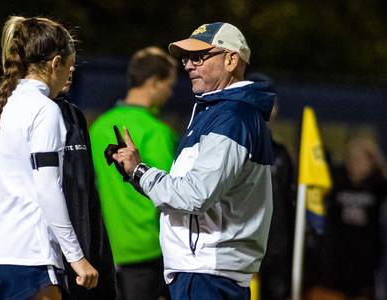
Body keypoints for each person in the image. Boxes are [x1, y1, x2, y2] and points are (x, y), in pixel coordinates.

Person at [110, 22, 275, 299]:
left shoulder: (233, 116)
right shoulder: (219, 111)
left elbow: (196, 195)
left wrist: (141, 172)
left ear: (231, 59)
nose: (188, 65)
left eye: (198, 57)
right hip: (204, 271)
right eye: (186, 57)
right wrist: (136, 173)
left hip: (209, 273)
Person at [0, 16, 98, 300]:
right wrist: (76, 257)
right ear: (55, 63)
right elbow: (48, 187)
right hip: (28, 259)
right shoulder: (44, 110)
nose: (69, 75)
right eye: (69, 67)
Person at [0, 63, 116, 300]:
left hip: (80, 264)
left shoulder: (73, 114)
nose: (71, 68)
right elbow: (45, 190)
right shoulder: (6, 114)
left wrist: (94, 258)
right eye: (62, 58)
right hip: (36, 262)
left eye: (73, 59)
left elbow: (84, 199)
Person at [90, 46, 177, 300]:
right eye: (168, 85)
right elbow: (171, 192)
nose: (170, 93)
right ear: (153, 82)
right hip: (150, 248)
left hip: (110, 249)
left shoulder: (98, 127)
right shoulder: (157, 131)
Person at [317, 136, 386, 299]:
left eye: (361, 159)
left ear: (371, 162)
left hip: (367, 258)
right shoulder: (338, 181)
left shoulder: (377, 185)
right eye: (352, 159)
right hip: (339, 256)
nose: (356, 164)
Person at [247, 72, 295, 300]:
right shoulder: (231, 147)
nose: (271, 104)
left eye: (272, 98)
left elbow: (289, 204)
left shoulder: (282, 155)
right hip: (241, 251)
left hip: (276, 252)